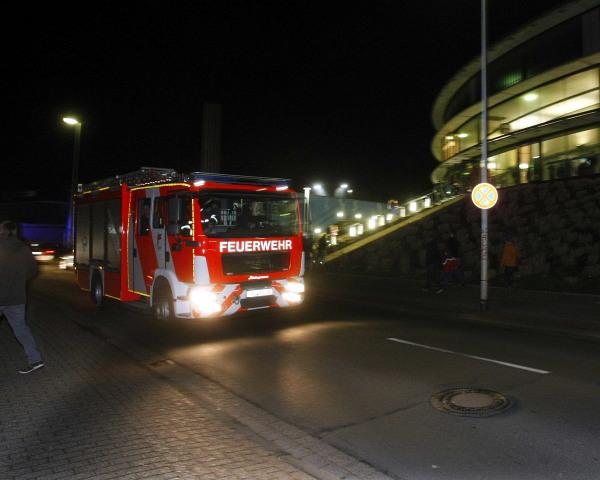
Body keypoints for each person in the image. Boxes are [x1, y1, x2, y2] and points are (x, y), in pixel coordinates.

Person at [0, 220, 44, 374]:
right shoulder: (23, 248)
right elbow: (33, 270)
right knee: (21, 330)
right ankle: (36, 360)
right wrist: (18, 279)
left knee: (21, 329)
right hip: (17, 298)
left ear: (2, 231)